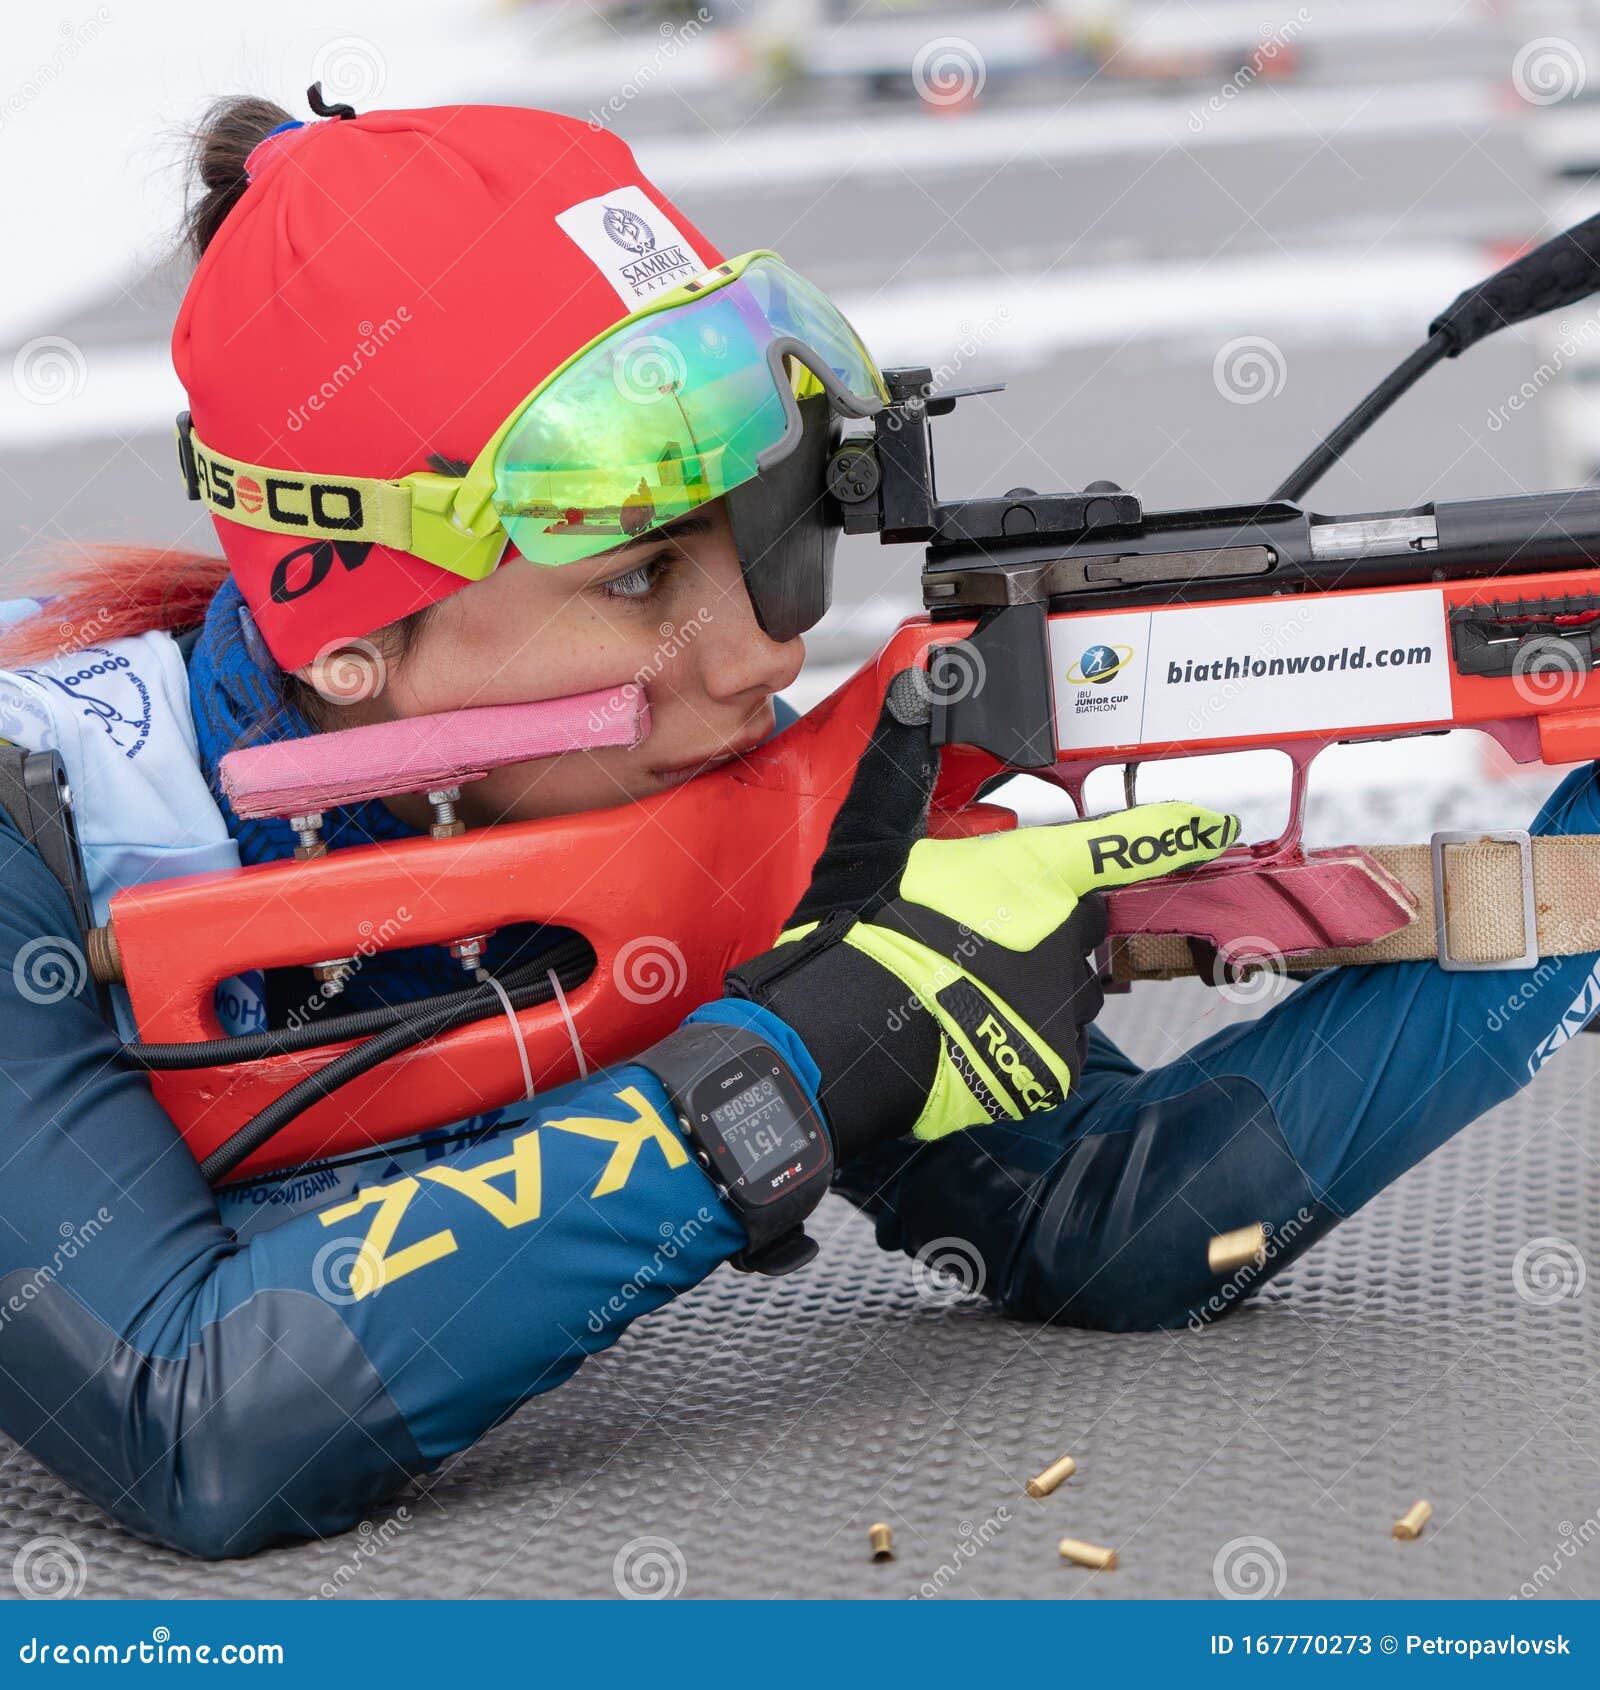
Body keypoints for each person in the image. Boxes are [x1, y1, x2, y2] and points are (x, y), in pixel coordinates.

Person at [0, 94, 1594, 1563]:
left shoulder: (652, 804)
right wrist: (804, 1059)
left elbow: (1106, 1215)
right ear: (344, 632)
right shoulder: (41, 828)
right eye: (637, 579)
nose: (762, 650)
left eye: (773, 537)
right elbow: (196, 1416)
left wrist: (1577, 868)